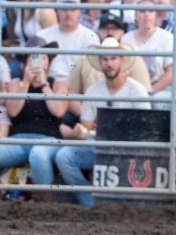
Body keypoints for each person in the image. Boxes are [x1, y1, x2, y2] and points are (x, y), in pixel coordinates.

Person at [57, 38, 151, 207]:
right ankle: (92, 203)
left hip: (128, 149)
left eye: (113, 59)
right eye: (105, 59)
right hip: (99, 147)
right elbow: (85, 127)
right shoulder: (93, 91)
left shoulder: (137, 90)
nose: (110, 64)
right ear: (100, 62)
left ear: (121, 61)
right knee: (64, 156)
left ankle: (109, 203)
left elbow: (145, 129)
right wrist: (80, 132)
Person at [0, 40, 68, 201]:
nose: (38, 61)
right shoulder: (16, 83)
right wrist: (26, 82)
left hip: (48, 140)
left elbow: (59, 111)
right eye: (33, 57)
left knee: (38, 154)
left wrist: (44, 83)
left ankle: (44, 205)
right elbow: (13, 110)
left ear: (49, 61)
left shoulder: (57, 84)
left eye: (42, 57)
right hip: (18, 140)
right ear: (25, 61)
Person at [37, 0, 101, 84]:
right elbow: (35, 67)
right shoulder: (42, 36)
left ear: (79, 11)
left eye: (73, 9)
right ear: (57, 10)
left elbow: (94, 70)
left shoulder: (90, 37)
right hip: (48, 84)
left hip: (78, 85)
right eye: (64, 9)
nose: (68, 13)